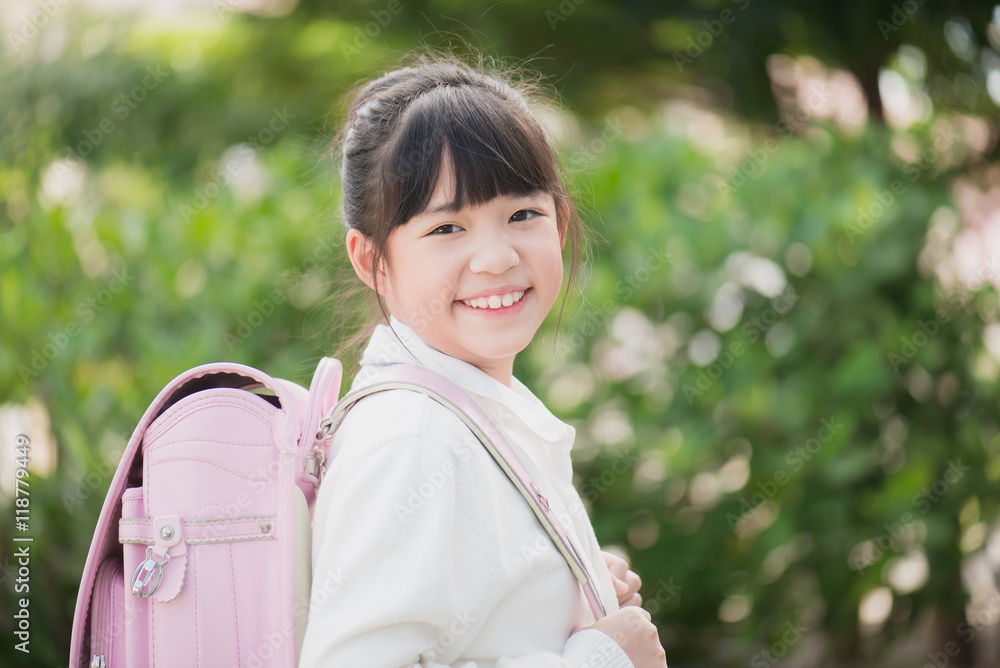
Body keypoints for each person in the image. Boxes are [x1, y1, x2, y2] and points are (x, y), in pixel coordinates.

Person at [298, 52, 668, 668]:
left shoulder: (468, 409)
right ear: (371, 260)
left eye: (522, 214)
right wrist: (599, 659)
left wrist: (559, 583)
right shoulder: (415, 441)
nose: (496, 258)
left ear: (560, 224)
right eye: (447, 229)